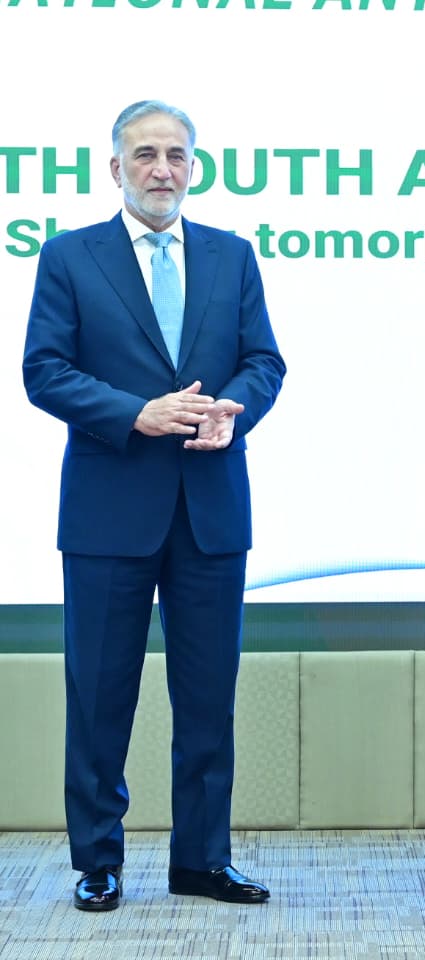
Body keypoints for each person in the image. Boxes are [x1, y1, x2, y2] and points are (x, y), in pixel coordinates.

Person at [23, 100, 285, 912]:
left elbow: (264, 362)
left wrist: (236, 407)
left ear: (192, 167)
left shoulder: (232, 255)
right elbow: (44, 371)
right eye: (145, 155)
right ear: (116, 168)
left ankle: (202, 860)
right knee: (99, 696)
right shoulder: (69, 256)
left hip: (211, 507)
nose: (162, 169)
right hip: (108, 511)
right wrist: (134, 413)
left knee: (208, 699)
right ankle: (97, 860)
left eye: (176, 155)